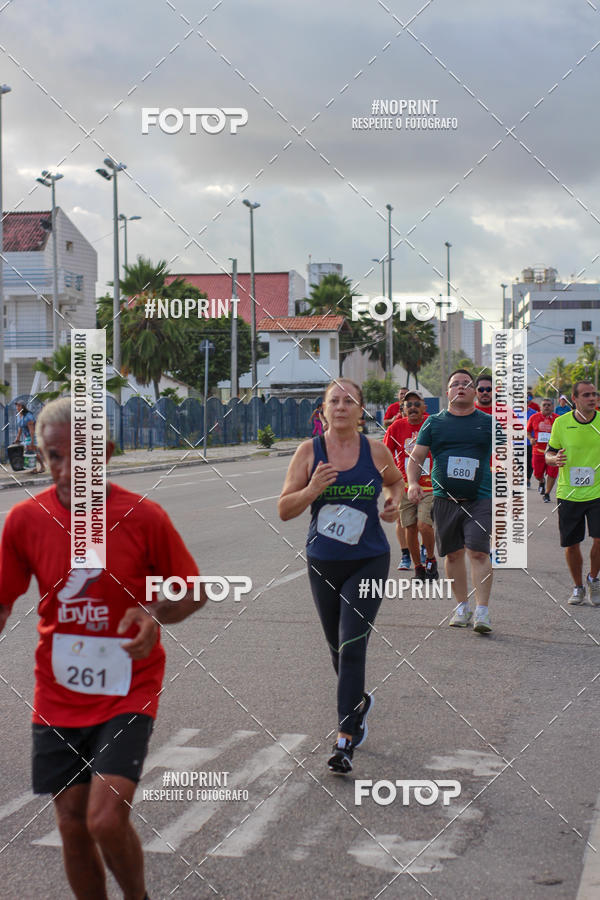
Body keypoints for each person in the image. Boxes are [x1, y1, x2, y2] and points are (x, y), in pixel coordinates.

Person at [0, 397, 207, 900]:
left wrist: (155, 614)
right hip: (58, 693)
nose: (67, 468)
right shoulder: (24, 520)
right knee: (71, 822)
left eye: (80, 454)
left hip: (127, 686)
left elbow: (192, 589)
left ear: (107, 453)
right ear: (40, 455)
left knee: (105, 817)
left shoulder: (142, 516)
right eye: (53, 455)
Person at [278, 378, 404, 774]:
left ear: (361, 409)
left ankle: (345, 738)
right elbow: (284, 509)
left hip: (369, 558)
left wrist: (392, 503)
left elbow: (396, 482)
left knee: (352, 646)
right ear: (323, 409)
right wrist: (313, 488)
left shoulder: (375, 450)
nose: (341, 406)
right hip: (324, 561)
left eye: (349, 401)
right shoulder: (308, 452)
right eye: (334, 400)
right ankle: (358, 703)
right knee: (337, 647)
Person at [406, 369, 493, 634]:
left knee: (478, 551)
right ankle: (461, 606)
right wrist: (411, 483)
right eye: (455, 384)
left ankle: (482, 611)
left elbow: (507, 454)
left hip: (479, 498)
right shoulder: (434, 422)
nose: (461, 388)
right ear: (447, 392)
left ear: (474, 391)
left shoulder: (488, 422)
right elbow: (417, 457)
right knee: (453, 553)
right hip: (445, 500)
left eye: (467, 384)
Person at [545, 381, 600, 606]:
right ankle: (578, 586)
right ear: (574, 399)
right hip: (569, 493)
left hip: (598, 492)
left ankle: (593, 580)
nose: (592, 398)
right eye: (586, 395)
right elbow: (550, 452)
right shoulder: (561, 423)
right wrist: (553, 459)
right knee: (571, 544)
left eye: (594, 394)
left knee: (599, 539)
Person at [383, 390, 438, 581]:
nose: (413, 408)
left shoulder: (433, 424)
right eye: (409, 405)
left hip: (429, 487)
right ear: (403, 408)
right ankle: (418, 568)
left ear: (424, 407)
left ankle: (431, 559)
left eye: (417, 404)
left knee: (424, 525)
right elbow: (385, 455)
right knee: (410, 527)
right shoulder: (396, 427)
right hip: (405, 487)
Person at [527, 398, 558, 503]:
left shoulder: (558, 419)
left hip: (553, 452)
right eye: (544, 405)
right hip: (538, 451)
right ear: (540, 407)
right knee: (537, 474)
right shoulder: (534, 417)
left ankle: (547, 493)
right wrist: (531, 439)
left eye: (549, 405)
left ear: (553, 407)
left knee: (552, 474)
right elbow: (527, 431)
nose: (546, 407)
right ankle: (541, 481)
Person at [15, 400, 45, 473]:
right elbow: (20, 428)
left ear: (23, 407)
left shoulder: (28, 416)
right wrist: (17, 438)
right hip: (27, 436)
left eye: (19, 406)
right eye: (17, 406)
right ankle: (34, 468)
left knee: (33, 451)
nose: (17, 407)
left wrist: (32, 441)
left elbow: (32, 430)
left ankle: (42, 467)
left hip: (33, 435)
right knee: (31, 452)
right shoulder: (19, 416)